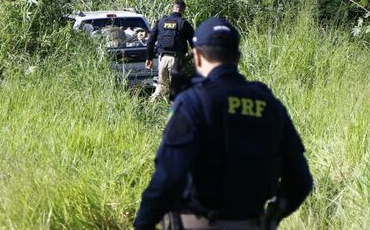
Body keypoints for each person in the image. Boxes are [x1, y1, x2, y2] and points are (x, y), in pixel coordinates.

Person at [134, 17, 313, 230]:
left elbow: (168, 178)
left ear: (198, 56)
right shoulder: (270, 105)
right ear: (237, 57)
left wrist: (142, 224)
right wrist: (271, 217)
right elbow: (301, 181)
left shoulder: (193, 102)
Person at [146, 0, 195, 102]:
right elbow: (195, 43)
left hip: (162, 59)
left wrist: (149, 58)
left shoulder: (161, 22)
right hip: (176, 60)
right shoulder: (184, 23)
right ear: (183, 10)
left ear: (173, 8)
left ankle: (150, 107)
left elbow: (150, 40)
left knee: (161, 86)